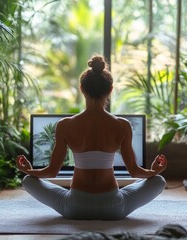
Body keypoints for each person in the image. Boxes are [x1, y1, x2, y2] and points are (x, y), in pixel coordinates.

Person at [16, 55, 167, 220]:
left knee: (28, 181)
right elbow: (134, 171)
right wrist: (153, 171)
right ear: (110, 90)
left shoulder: (65, 125)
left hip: (74, 207)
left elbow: (52, 171)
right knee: (158, 180)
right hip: (113, 207)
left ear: (81, 88)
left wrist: (29, 170)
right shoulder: (123, 125)